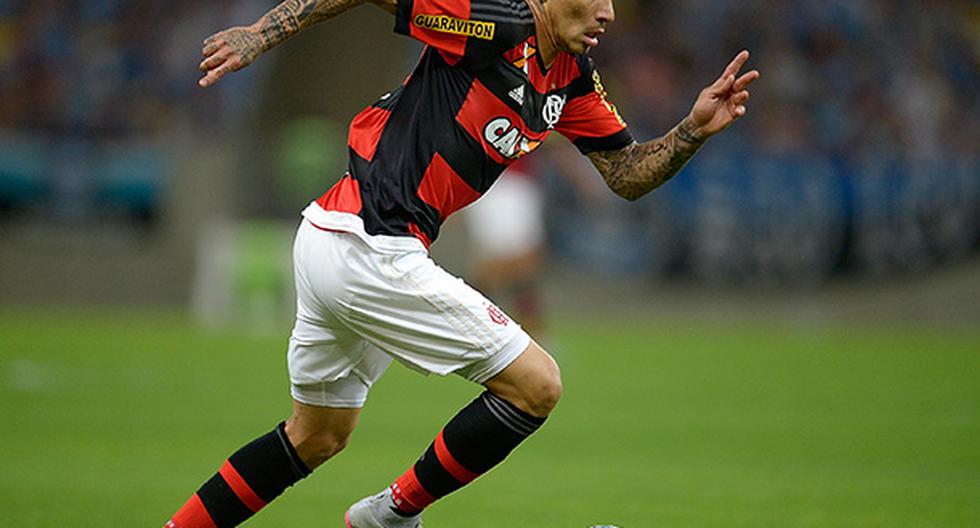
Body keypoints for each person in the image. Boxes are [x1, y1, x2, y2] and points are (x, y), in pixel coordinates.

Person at [165, 0, 759, 526]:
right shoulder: (491, 20)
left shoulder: (572, 80)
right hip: (371, 246)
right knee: (537, 385)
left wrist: (691, 130)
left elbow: (625, 173)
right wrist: (259, 35)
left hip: (334, 237)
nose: (608, 13)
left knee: (315, 437)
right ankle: (390, 516)